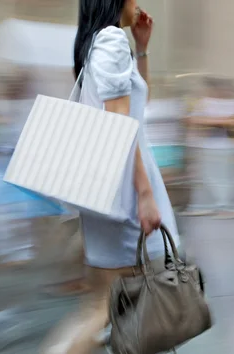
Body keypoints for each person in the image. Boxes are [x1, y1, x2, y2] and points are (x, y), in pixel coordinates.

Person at [41, 1, 179, 353]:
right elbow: (120, 127)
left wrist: (143, 46)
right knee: (106, 308)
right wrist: (145, 196)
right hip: (125, 196)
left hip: (107, 191)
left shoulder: (97, 43)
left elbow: (134, 104)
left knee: (103, 306)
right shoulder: (112, 41)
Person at [181, 76, 234, 219]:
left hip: (230, 147)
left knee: (231, 178)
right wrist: (225, 121)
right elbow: (193, 120)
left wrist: (213, 121)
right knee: (205, 178)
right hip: (208, 146)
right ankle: (206, 205)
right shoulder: (204, 102)